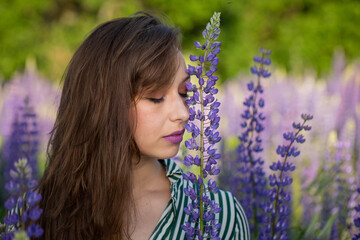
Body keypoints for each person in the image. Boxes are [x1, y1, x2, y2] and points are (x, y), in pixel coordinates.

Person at [38, 12, 250, 240]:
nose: (183, 113)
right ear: (103, 104)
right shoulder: (36, 212)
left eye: (184, 93)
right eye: (156, 97)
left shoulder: (221, 214)